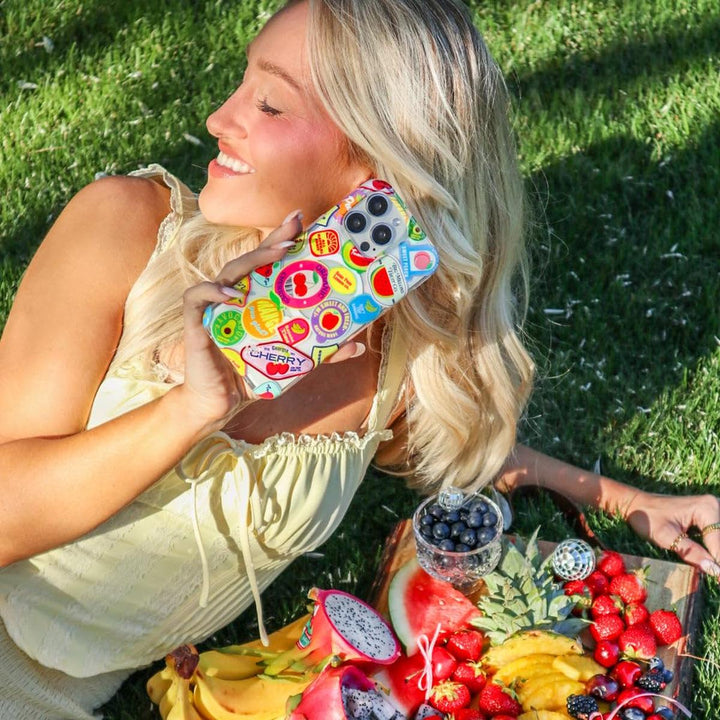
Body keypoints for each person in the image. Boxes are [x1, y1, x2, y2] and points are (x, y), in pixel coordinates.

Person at [0, 0, 717, 717]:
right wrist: (187, 410)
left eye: (269, 103)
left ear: (383, 157)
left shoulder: (391, 361)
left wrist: (627, 500)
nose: (219, 118)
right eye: (244, 83)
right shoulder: (124, 230)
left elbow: (451, 454)